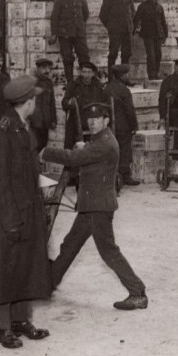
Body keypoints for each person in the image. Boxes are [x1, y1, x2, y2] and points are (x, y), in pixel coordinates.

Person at [42, 102, 148, 311]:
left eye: (96, 118)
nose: (91, 122)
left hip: (98, 207)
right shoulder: (101, 139)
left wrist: (47, 152)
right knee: (70, 245)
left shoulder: (105, 143)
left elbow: (74, 158)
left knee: (108, 252)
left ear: (105, 120)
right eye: (89, 119)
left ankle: (138, 292)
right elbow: (88, 151)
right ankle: (48, 284)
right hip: (91, 205)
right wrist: (85, 146)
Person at [0, 76, 52, 349]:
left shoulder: (22, 128)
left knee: (26, 266)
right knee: (7, 270)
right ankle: (3, 327)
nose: (36, 101)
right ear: (28, 101)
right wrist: (10, 219)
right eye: (34, 98)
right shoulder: (4, 132)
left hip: (28, 209)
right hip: (10, 213)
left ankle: (21, 321)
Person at [49, 0, 90, 85]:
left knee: (84, 57)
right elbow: (54, 17)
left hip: (79, 33)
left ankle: (84, 81)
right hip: (65, 34)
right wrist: (54, 34)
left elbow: (85, 15)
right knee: (67, 59)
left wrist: (79, 26)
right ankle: (70, 82)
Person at [105, 64, 140, 187]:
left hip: (109, 126)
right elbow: (129, 110)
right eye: (127, 74)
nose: (128, 76)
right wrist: (134, 125)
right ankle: (125, 175)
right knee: (125, 150)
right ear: (122, 75)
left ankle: (113, 174)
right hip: (123, 126)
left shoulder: (107, 88)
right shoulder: (124, 90)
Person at [61, 61, 107, 149]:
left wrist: (104, 117)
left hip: (93, 122)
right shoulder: (73, 85)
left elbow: (104, 103)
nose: (86, 75)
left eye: (89, 72)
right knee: (72, 148)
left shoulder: (98, 86)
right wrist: (70, 102)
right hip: (76, 121)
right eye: (84, 72)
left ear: (93, 73)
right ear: (81, 73)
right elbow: (64, 102)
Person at [99, 0, 135, 70]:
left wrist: (131, 27)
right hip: (115, 31)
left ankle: (124, 80)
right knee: (113, 54)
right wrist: (111, 26)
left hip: (127, 30)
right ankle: (111, 80)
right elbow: (102, 15)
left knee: (126, 54)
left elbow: (133, 13)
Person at [132, 0, 168, 80]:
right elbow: (136, 20)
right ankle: (151, 75)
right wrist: (131, 32)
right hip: (148, 35)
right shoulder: (142, 7)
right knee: (151, 55)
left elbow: (163, 22)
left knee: (158, 54)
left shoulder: (159, 7)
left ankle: (156, 73)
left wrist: (165, 35)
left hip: (158, 34)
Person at [29, 58, 57, 153]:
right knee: (33, 148)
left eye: (48, 68)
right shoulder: (31, 82)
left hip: (45, 123)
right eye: (44, 68)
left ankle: (39, 167)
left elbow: (52, 103)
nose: (47, 71)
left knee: (42, 148)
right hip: (34, 123)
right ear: (37, 68)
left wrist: (53, 120)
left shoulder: (49, 83)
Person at [158, 58, 178, 124]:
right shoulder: (168, 81)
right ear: (175, 67)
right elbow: (162, 100)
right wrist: (162, 117)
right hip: (173, 115)